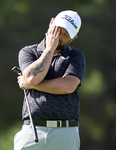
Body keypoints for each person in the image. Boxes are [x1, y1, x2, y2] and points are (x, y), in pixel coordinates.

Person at [14, 10, 86, 150]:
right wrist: (49, 49)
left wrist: (32, 85)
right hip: (32, 130)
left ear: (74, 37)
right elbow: (32, 77)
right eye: (58, 30)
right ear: (51, 22)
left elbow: (68, 86)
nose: (59, 37)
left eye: (66, 35)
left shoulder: (76, 56)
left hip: (65, 132)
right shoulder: (29, 52)